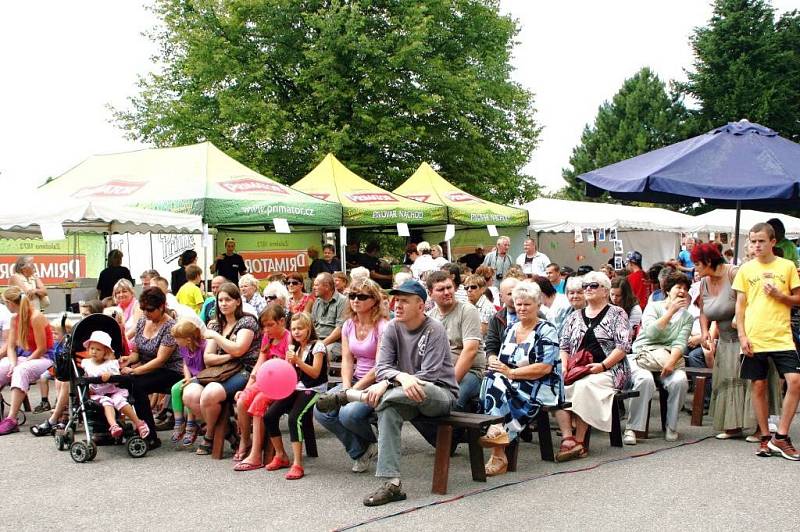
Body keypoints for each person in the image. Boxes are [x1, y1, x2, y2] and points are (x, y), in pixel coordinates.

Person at [340, 279, 456, 506]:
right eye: (395, 300)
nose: (397, 305)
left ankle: (354, 397)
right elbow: (382, 367)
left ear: (421, 305)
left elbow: (430, 375)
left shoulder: (434, 329)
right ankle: (392, 483)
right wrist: (399, 377)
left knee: (398, 393)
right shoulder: (393, 327)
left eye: (404, 301)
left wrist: (387, 383)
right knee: (388, 409)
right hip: (403, 394)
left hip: (438, 395)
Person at [479, 281, 562, 476]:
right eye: (518, 304)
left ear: (537, 305)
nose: (522, 308)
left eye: (527, 304)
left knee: (497, 383)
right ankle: (497, 434)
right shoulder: (510, 329)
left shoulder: (546, 330)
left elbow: (545, 367)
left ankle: (497, 444)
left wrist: (510, 373)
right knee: (492, 377)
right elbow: (502, 361)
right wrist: (500, 369)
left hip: (540, 384)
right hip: (512, 381)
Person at [733, 223, 800, 459]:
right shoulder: (745, 270)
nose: (756, 245)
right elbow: (740, 308)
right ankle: (764, 437)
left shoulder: (787, 266)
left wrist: (781, 296)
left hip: (782, 337)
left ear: (773, 242)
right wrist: (742, 336)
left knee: (795, 381)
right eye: (752, 241)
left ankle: (780, 436)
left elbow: (798, 299)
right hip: (754, 336)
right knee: (758, 385)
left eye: (761, 241)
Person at [555, 271, 632, 461]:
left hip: (611, 369)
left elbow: (623, 347)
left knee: (584, 386)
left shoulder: (617, 313)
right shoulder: (574, 317)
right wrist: (564, 367)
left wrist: (603, 366)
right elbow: (563, 347)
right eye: (585, 286)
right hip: (577, 369)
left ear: (605, 291)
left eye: (593, 285)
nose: (587, 289)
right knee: (556, 385)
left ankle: (580, 442)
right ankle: (568, 438)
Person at [314, 278, 388, 473]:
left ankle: (373, 442)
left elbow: (380, 366)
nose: (355, 300)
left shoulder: (383, 326)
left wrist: (352, 391)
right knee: (321, 409)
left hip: (378, 382)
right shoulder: (348, 324)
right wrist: (347, 387)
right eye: (352, 295)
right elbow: (347, 359)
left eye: (362, 296)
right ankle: (361, 450)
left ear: (374, 300)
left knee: (348, 414)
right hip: (354, 380)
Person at [184, 282, 261, 455]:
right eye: (220, 300)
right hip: (220, 369)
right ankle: (228, 432)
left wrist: (219, 339)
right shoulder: (215, 324)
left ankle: (210, 435)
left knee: (210, 394)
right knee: (189, 394)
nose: (224, 304)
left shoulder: (247, 322)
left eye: (228, 300)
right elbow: (208, 358)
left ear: (238, 302)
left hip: (245, 369)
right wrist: (230, 355)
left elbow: (240, 349)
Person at [624, 272, 693, 445]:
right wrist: (671, 312)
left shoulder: (688, 317)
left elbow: (681, 342)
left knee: (679, 380)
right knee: (645, 380)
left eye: (685, 288)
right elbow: (650, 333)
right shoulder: (653, 306)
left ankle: (671, 426)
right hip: (643, 354)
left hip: (669, 358)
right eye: (678, 287)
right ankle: (632, 428)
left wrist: (670, 364)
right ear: (668, 290)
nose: (682, 291)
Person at [263, 312, 328, 480]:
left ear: (309, 328)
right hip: (298, 387)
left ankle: (297, 463)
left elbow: (315, 373)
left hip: (314, 388)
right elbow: (289, 374)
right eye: (293, 329)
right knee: (270, 415)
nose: (297, 332)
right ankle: (281, 455)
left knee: (294, 418)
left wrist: (298, 361)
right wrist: (288, 363)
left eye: (300, 328)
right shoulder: (296, 347)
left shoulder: (318, 346)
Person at [120, 287, 180, 448]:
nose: (146, 313)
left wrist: (134, 370)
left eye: (150, 310)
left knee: (137, 384)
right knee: (122, 381)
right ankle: (122, 426)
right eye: (143, 309)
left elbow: (161, 360)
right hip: (150, 368)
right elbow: (137, 353)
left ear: (162, 306)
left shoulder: (170, 326)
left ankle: (150, 435)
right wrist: (128, 360)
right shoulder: (142, 322)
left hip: (172, 370)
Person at [233, 304, 291, 470]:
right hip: (267, 380)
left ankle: (256, 455)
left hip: (283, 384)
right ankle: (246, 440)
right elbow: (261, 361)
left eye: (270, 325)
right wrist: (248, 386)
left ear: (282, 321)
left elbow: (288, 370)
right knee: (242, 399)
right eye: (264, 326)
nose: (266, 330)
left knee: (258, 402)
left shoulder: (288, 338)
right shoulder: (268, 337)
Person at [425, 271, 486, 413]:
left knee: (449, 403)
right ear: (430, 293)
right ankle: (449, 436)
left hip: (471, 373)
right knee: (415, 403)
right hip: (439, 373)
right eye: (441, 289)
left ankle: (458, 435)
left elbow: (470, 351)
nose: (447, 292)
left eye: (449, 287)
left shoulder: (467, 310)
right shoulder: (430, 317)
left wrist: (450, 383)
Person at [0, 286, 56, 435]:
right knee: (4, 367)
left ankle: (11, 419)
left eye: (5, 302)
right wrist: (12, 363)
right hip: (23, 357)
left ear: (11, 303)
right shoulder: (14, 319)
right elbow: (11, 347)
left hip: (44, 358)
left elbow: (42, 348)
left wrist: (22, 363)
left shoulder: (36, 317)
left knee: (21, 370)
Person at [81, 330, 150, 439]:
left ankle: (139, 423)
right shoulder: (86, 363)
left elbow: (118, 380)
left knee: (120, 401)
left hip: (113, 390)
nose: (94, 351)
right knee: (106, 402)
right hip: (98, 394)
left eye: (98, 349)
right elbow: (84, 376)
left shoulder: (111, 364)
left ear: (105, 352)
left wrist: (110, 377)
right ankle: (114, 426)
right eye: (92, 348)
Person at [168, 319, 206, 446]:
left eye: (177, 338)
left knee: (189, 392)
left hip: (203, 378)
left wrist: (193, 380)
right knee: (175, 389)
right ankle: (179, 422)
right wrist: (188, 377)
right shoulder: (183, 348)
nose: (175, 341)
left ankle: (191, 424)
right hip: (192, 377)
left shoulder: (203, 347)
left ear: (188, 339)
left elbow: (207, 369)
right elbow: (185, 364)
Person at [310, 273, 346, 362]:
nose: (314, 287)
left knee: (320, 354)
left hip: (334, 343)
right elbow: (312, 325)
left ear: (326, 286)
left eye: (316, 285)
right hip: (317, 341)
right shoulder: (317, 302)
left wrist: (322, 344)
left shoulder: (343, 301)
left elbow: (340, 329)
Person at [485, 278, 520, 362]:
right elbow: (491, 346)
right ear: (501, 297)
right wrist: (492, 359)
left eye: (517, 293)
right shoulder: (496, 318)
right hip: (503, 364)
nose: (514, 297)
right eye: (510, 294)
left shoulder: (535, 315)